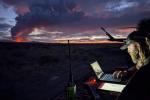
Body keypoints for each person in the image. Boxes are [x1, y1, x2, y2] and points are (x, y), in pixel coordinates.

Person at [115, 31, 150, 100]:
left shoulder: (143, 76)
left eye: (128, 46)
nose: (128, 51)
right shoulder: (145, 61)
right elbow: (138, 66)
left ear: (137, 45)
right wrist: (127, 72)